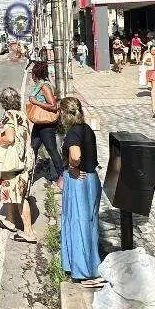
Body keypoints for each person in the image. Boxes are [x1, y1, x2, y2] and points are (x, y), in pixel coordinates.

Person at [58, 96, 104, 284]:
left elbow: (75, 155)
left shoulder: (73, 133)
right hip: (91, 179)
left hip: (80, 182)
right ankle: (84, 264)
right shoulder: (86, 129)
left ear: (65, 114)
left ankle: (84, 270)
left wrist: (73, 168)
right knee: (89, 224)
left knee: (79, 224)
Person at [0, 87, 37, 243]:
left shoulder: (9, 116)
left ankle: (29, 232)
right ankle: (10, 220)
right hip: (25, 159)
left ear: (3, 102)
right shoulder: (22, 116)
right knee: (12, 192)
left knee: (19, 196)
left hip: (14, 162)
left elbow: (9, 138)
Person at [27, 62, 63, 190]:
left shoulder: (44, 87)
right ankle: (29, 175)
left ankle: (62, 177)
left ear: (37, 74)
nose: (31, 75)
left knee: (52, 150)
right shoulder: (40, 85)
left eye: (33, 73)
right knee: (33, 148)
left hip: (46, 125)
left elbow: (53, 105)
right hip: (39, 123)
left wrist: (36, 102)